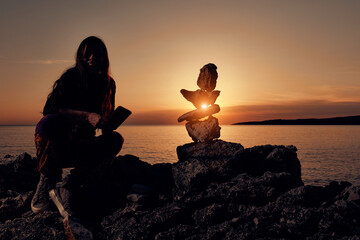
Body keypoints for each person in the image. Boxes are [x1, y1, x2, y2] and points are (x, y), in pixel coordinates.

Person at [31, 36, 124, 215]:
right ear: (80, 56)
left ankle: (77, 179)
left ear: (104, 57)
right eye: (86, 54)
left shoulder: (109, 84)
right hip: (61, 145)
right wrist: (86, 116)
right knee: (48, 123)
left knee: (115, 139)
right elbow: (49, 109)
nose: (91, 58)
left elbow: (104, 122)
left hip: (85, 145)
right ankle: (47, 179)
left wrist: (107, 122)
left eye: (96, 54)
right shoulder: (70, 77)